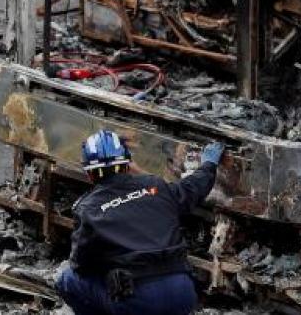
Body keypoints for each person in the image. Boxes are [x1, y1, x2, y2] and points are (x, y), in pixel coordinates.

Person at [56, 129, 224, 315]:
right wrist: (209, 163)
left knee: (68, 279)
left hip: (138, 302)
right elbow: (193, 188)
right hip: (183, 295)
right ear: (128, 164)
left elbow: (81, 265)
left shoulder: (88, 209)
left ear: (89, 174)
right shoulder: (156, 186)